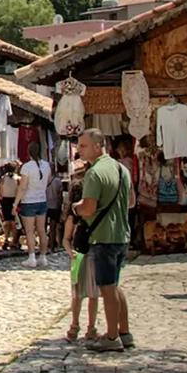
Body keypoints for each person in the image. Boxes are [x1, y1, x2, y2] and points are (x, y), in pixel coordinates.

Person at [74, 128, 134, 352]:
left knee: (107, 288)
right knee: (115, 285)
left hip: (103, 236)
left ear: (98, 146)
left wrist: (75, 207)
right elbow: (131, 202)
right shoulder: (121, 169)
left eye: (83, 145)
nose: (80, 149)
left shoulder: (94, 173)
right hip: (122, 234)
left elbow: (88, 208)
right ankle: (125, 332)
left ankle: (111, 336)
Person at [62, 168, 101, 342]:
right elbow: (66, 239)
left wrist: (71, 253)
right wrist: (72, 254)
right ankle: (82, 326)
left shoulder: (79, 216)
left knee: (83, 294)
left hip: (86, 255)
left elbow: (65, 239)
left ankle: (82, 326)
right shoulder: (76, 217)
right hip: (82, 256)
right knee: (85, 294)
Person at [15, 141, 52, 267]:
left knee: (30, 231)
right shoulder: (46, 165)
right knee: (42, 230)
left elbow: (23, 187)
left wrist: (16, 203)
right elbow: (49, 180)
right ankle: (43, 256)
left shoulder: (26, 167)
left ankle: (31, 257)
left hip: (29, 201)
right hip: (42, 200)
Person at [0, 164, 20, 250]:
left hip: (5, 200)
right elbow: (19, 190)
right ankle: (14, 241)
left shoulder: (3, 178)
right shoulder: (17, 178)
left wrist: (1, 196)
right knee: (14, 222)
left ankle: (6, 239)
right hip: (14, 200)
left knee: (7, 221)